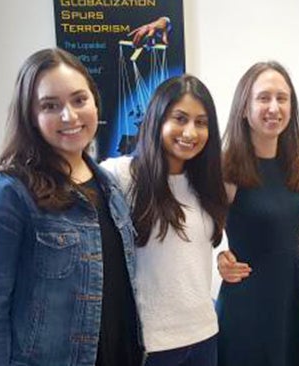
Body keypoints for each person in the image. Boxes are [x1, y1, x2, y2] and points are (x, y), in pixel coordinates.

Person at [0, 48, 142, 365]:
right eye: (51, 105)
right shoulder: (7, 193)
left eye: (79, 100)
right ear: (31, 117)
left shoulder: (109, 185)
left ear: (94, 102)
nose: (70, 116)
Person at [101, 75, 227, 366]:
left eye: (201, 122)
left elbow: (199, 246)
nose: (190, 132)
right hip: (151, 344)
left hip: (204, 334)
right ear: (157, 119)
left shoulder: (207, 183)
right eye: (180, 119)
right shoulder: (122, 175)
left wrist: (225, 257)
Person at [215, 61, 299, 366]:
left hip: (290, 298)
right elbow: (202, 230)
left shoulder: (293, 166)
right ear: (244, 108)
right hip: (249, 302)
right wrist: (220, 253)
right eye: (263, 98)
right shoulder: (228, 168)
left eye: (282, 98)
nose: (274, 107)